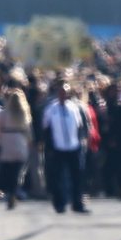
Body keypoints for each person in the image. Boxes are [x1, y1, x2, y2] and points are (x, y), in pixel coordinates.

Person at [42, 82, 90, 214]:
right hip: (58, 147)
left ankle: (77, 203)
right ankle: (59, 204)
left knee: (77, 176)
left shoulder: (74, 108)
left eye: (65, 93)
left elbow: (80, 125)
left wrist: (81, 141)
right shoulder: (51, 109)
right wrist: (49, 145)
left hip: (73, 146)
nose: (63, 95)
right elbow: (46, 127)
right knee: (58, 177)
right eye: (61, 93)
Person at [0, 89, 32, 210]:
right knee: (17, 170)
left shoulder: (4, 113)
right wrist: (29, 142)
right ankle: (14, 191)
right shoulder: (24, 113)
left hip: (7, 140)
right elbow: (28, 130)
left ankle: (9, 192)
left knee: (8, 169)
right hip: (20, 140)